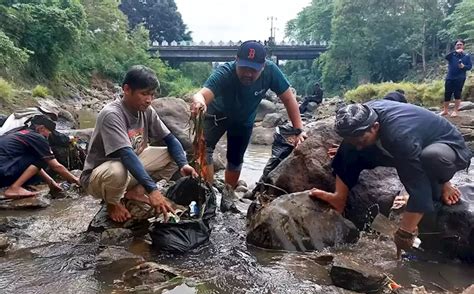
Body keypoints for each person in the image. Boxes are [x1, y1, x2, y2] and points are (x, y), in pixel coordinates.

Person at [309, 100, 472, 257]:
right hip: (412, 143)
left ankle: (443, 182)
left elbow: (419, 190)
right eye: (354, 141)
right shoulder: (362, 115)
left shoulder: (399, 136)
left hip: (447, 148)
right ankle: (339, 197)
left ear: (375, 126)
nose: (358, 146)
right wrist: (348, 149)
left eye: (361, 140)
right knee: (348, 151)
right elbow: (349, 151)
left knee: (431, 162)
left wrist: (405, 233)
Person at [80, 65, 197, 223]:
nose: (149, 100)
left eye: (152, 94)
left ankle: (136, 192)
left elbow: (170, 139)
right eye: (144, 94)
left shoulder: (146, 110)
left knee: (174, 154)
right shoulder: (112, 114)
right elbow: (125, 154)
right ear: (126, 89)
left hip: (131, 161)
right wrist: (153, 190)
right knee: (117, 170)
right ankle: (112, 203)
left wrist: (183, 164)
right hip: (99, 175)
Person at [191, 40, 306, 188]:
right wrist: (199, 103)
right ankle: (207, 195)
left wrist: (299, 130)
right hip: (216, 115)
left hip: (243, 120)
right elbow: (201, 95)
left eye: (254, 70)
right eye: (244, 68)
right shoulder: (225, 72)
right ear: (236, 60)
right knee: (203, 148)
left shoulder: (271, 71)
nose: (248, 73)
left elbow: (289, 99)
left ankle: (228, 194)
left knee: (235, 159)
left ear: (263, 66)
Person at [0, 115, 80, 199]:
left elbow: (33, 165)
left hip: (4, 169)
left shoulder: (19, 132)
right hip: (3, 173)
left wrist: (51, 182)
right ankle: (14, 188)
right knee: (44, 158)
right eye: (49, 133)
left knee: (38, 157)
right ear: (41, 128)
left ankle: (16, 186)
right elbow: (56, 166)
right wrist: (76, 180)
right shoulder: (38, 137)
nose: (48, 136)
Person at [441, 39, 472, 117]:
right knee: (447, 94)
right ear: (455, 46)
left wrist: (463, 66)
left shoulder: (466, 56)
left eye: (460, 44)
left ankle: (455, 111)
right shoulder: (452, 55)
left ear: (463, 46)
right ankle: (445, 110)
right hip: (450, 77)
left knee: (457, 94)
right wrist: (455, 52)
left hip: (460, 78)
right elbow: (446, 57)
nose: (459, 46)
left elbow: (469, 67)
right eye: (457, 44)